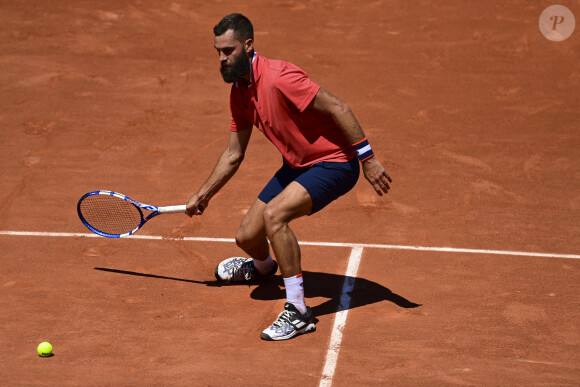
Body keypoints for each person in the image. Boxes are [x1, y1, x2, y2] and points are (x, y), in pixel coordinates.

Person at [186, 13, 391, 341]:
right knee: (247, 237)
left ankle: (299, 311)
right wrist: (204, 193)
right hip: (296, 166)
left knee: (274, 216)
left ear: (248, 45)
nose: (222, 59)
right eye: (218, 52)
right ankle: (264, 267)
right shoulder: (239, 92)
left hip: (333, 163)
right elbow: (233, 154)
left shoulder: (280, 76)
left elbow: (339, 107)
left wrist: (368, 159)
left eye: (228, 51)